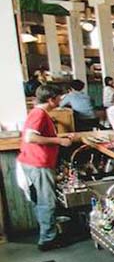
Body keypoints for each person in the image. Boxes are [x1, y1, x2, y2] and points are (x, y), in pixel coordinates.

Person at [16, 85, 75, 251]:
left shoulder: (38, 113)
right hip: (38, 164)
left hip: (32, 162)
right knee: (46, 202)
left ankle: (48, 234)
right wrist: (59, 141)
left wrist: (58, 137)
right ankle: (48, 239)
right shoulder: (39, 114)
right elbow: (30, 137)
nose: (60, 100)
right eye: (59, 98)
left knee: (40, 201)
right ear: (51, 99)